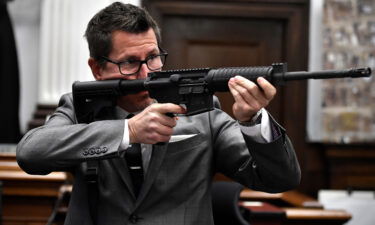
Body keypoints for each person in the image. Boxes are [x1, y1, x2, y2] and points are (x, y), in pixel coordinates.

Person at [17, 2, 300, 225]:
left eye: (152, 57)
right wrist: (127, 132)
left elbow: (279, 180)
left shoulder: (203, 113)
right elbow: (31, 153)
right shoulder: (79, 108)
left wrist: (252, 121)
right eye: (129, 62)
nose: (146, 73)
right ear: (97, 69)